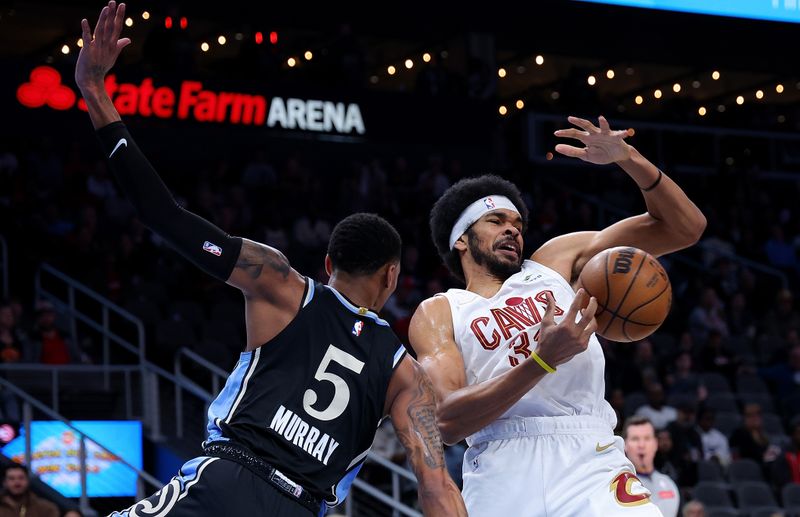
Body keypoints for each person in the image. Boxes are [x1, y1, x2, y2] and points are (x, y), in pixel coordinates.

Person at [75, 4, 466, 516]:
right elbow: (437, 488)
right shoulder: (405, 376)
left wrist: (95, 92)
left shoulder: (280, 284)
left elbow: (162, 213)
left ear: (328, 264)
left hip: (229, 481)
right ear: (392, 275)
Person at [409, 114, 706, 516]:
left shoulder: (555, 261)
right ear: (461, 239)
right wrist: (542, 361)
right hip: (501, 468)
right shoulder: (441, 311)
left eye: (517, 223)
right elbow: (447, 421)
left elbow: (685, 228)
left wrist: (629, 158)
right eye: (496, 221)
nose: (512, 230)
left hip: (589, 456)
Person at [624, 417, 681, 517]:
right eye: (635, 439)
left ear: (655, 444)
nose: (641, 445)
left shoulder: (669, 483)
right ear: (625, 445)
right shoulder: (618, 486)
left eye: (647, 438)